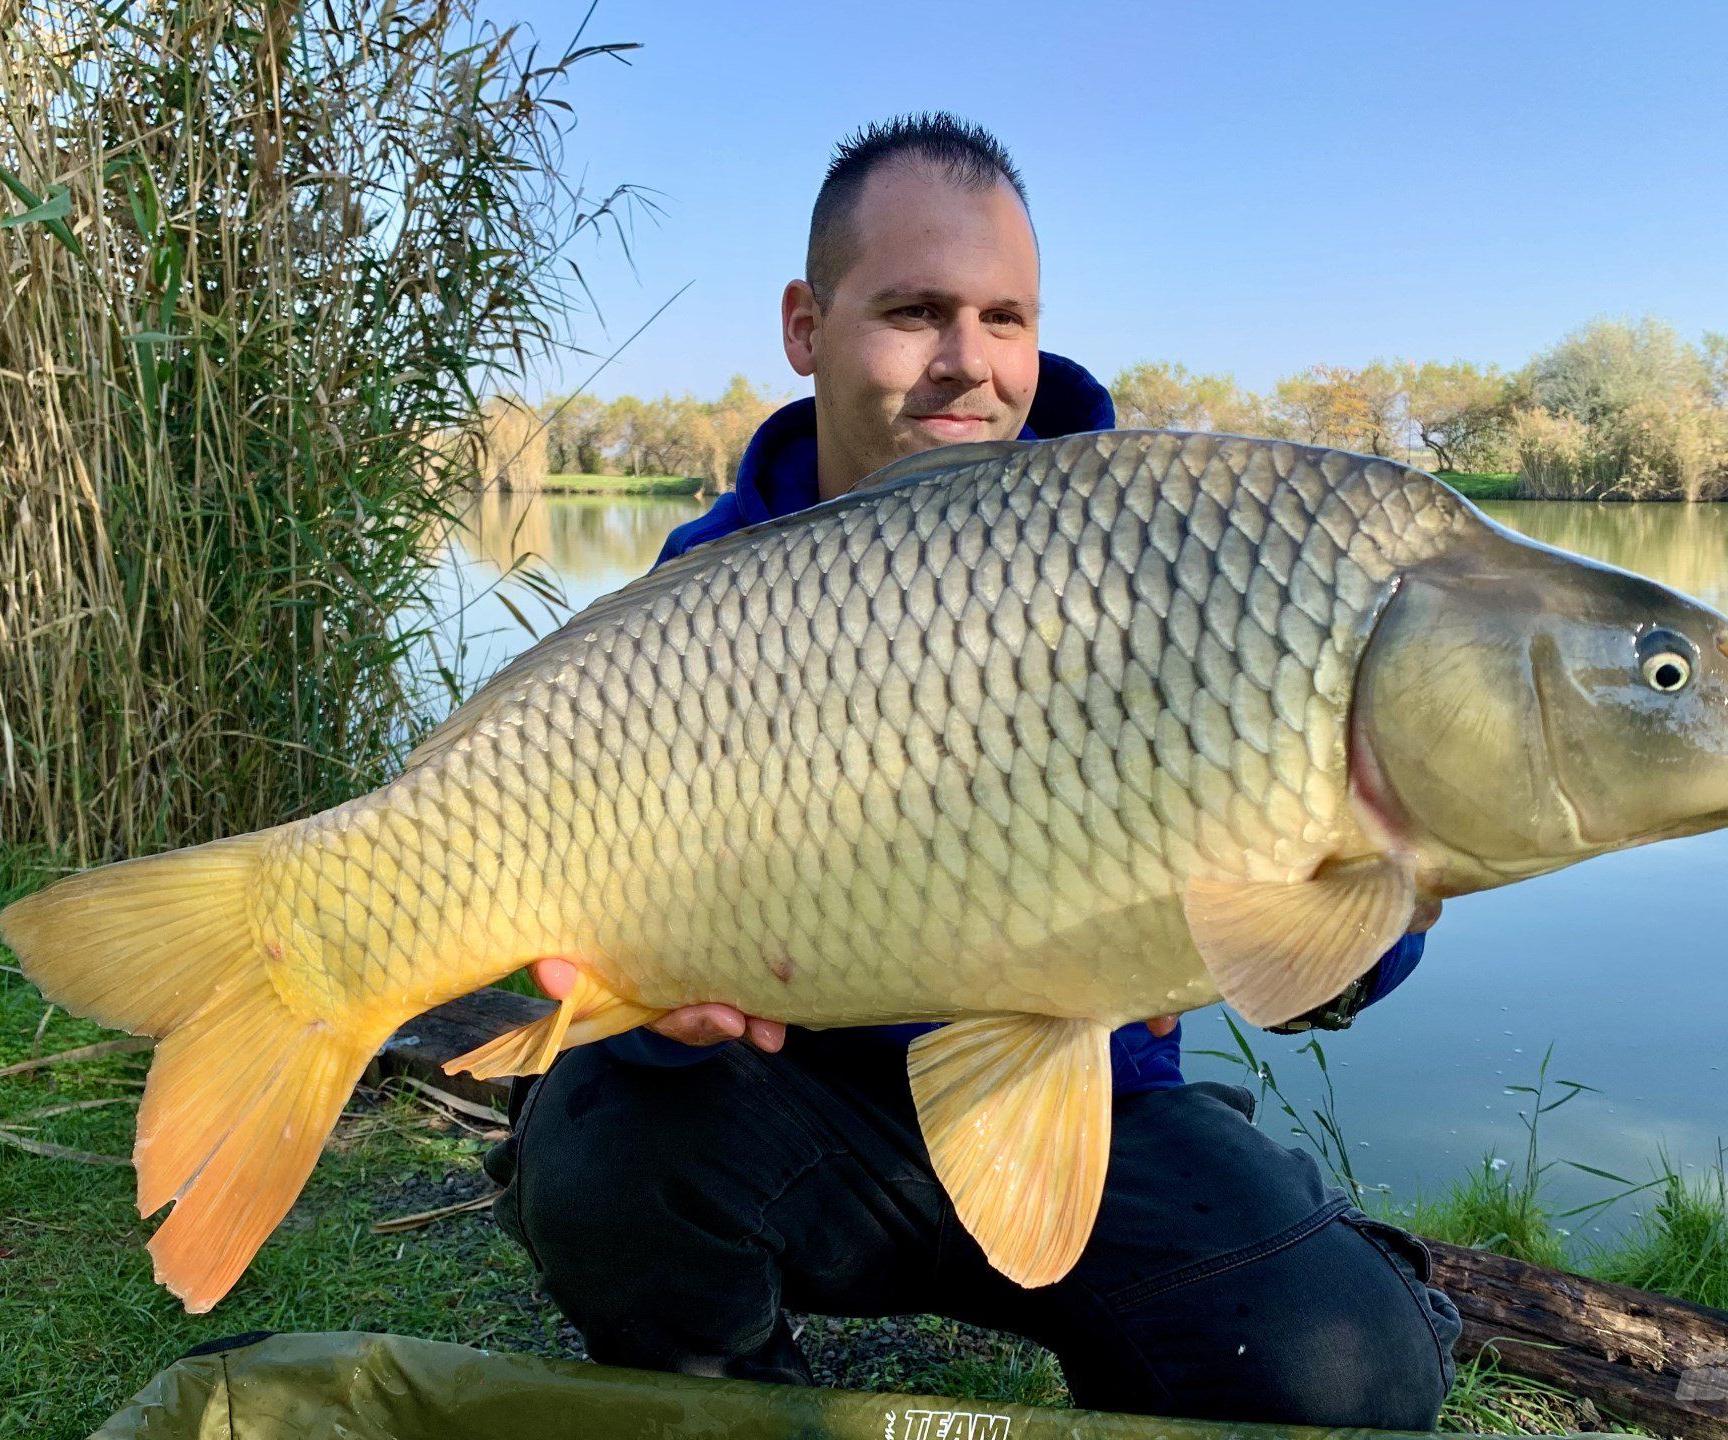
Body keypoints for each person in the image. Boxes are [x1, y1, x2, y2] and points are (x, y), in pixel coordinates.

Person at [484, 113, 1461, 1428]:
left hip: (1095, 1094)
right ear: (804, 325)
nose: (972, 367)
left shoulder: (1172, 552)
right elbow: (574, 908)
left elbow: (1324, 962)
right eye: (915, 311)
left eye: (1008, 318)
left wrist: (1379, 898)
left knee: (1354, 1373)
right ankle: (732, 1401)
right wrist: (644, 998)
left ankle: (1229, 1297)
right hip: (800, 1110)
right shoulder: (704, 599)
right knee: (597, 1137)